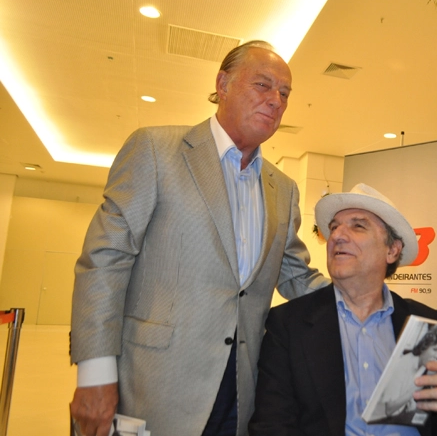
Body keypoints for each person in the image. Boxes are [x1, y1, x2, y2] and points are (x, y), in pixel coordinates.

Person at [69, 40, 327, 436]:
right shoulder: (156, 151)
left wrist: (363, 301)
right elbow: (105, 259)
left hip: (242, 392)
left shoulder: (284, 189)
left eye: (285, 93)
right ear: (223, 84)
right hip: (151, 388)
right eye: (262, 85)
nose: (276, 100)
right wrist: (94, 373)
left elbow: (296, 276)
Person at [249, 183, 437, 436]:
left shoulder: (424, 321)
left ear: (392, 250)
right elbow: (271, 425)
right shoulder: (289, 324)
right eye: (334, 227)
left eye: (358, 226)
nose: (336, 236)